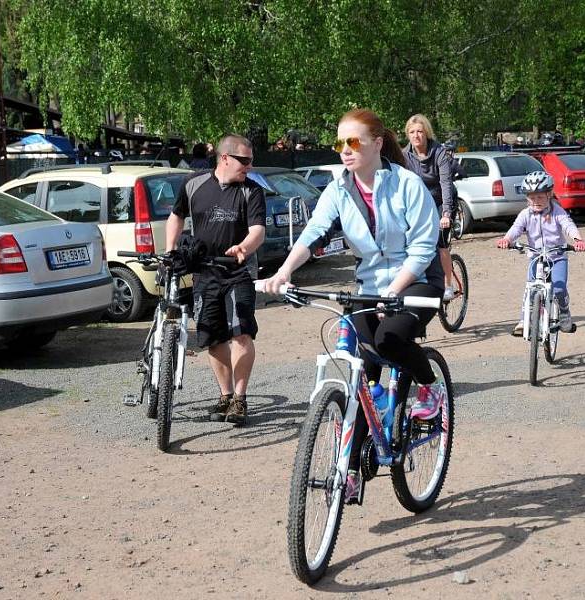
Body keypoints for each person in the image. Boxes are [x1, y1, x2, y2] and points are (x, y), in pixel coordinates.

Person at [258, 108, 445, 504]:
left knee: (391, 340)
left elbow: (424, 248)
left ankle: (430, 388)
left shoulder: (408, 185)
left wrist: (392, 291)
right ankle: (351, 473)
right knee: (361, 375)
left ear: (377, 144)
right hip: (369, 288)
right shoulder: (339, 189)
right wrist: (284, 272)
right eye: (340, 142)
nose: (346, 150)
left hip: (417, 283)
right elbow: (314, 232)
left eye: (354, 142)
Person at [166, 134, 266, 425]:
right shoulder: (193, 184)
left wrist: (244, 248)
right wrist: (172, 249)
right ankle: (224, 396)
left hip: (238, 271)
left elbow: (258, 229)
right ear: (225, 158)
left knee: (241, 333)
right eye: (244, 161)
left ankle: (240, 398)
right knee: (212, 338)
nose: (248, 166)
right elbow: (176, 216)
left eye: (251, 161)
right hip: (203, 272)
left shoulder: (252, 191)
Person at [494, 171, 585, 336]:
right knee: (530, 288)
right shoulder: (525, 214)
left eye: (540, 197)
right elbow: (516, 229)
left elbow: (568, 225)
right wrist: (506, 239)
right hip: (536, 258)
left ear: (549, 195)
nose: (535, 201)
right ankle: (524, 321)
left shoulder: (557, 211)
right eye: (531, 198)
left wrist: (577, 240)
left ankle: (564, 312)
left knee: (558, 288)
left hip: (557, 257)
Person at [402, 114, 456, 301]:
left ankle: (448, 285)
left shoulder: (439, 152)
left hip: (441, 201)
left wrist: (447, 213)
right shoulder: (404, 155)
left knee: (440, 244)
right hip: (420, 204)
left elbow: (446, 183)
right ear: (407, 135)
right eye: (412, 132)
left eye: (420, 131)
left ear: (426, 133)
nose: (416, 135)